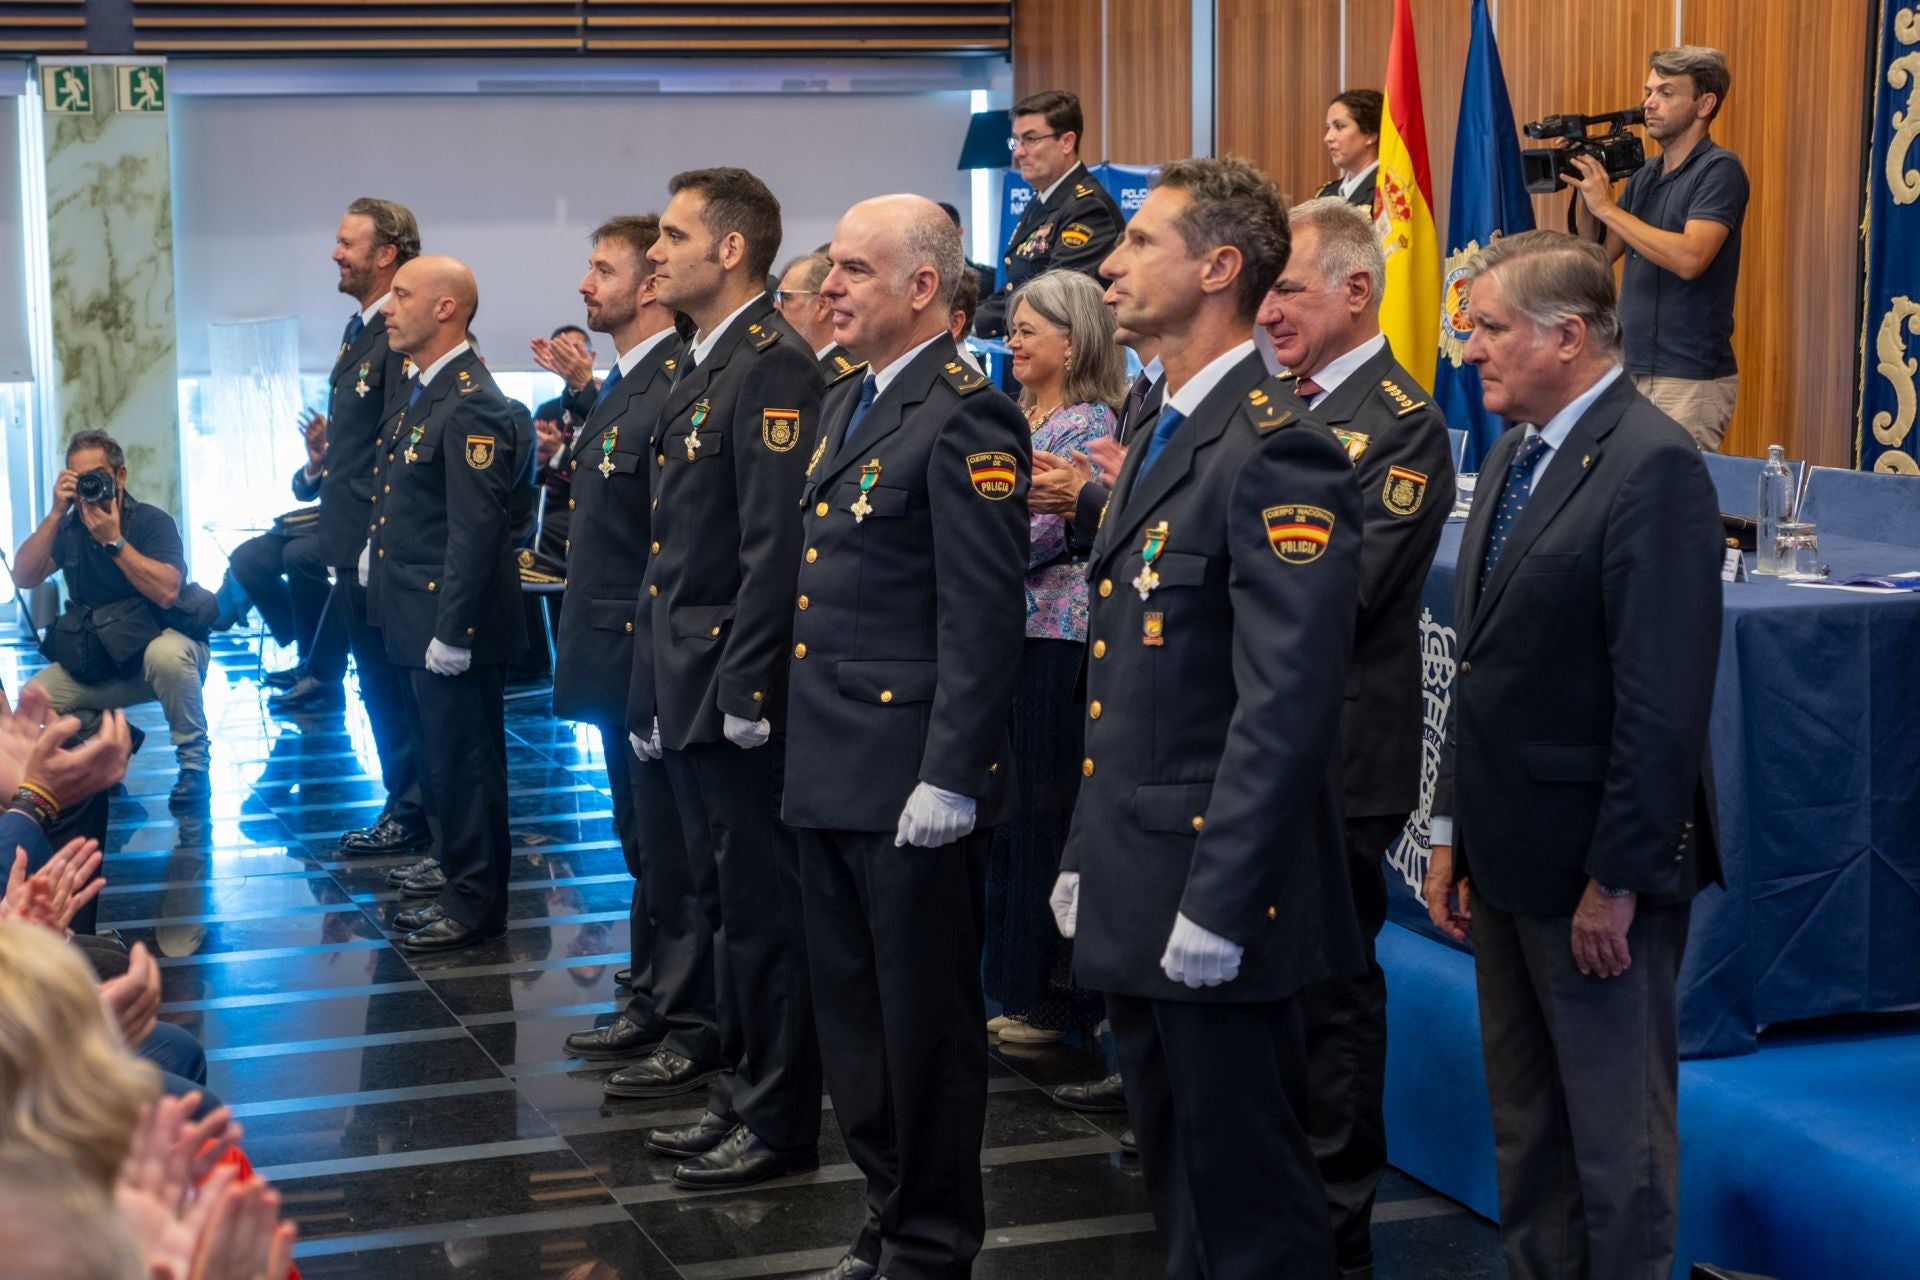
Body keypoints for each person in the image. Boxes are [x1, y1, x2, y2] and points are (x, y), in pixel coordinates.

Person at [1052, 155, 1365, 1278]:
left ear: (1220, 268)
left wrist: (1223, 901)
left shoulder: (1274, 444)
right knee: (1180, 1176)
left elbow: (1283, 703)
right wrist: (1089, 848)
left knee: (1252, 1204)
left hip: (1217, 891)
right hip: (1144, 873)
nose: (1110, 259)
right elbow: (1128, 681)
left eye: (1140, 242)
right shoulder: (1172, 428)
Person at [1424, 229, 1723, 1280]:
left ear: (1569, 334)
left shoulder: (1655, 465)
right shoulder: (1511, 452)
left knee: (1615, 1143)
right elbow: (1478, 668)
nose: (1469, 350)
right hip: (1504, 854)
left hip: (1596, 874)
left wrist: (1618, 878)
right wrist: (1449, 830)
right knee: (1530, 1129)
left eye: (1488, 327)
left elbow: (1663, 702)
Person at [784, 194, 1029, 1280]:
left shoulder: (964, 412)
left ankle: (931, 1242)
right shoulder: (850, 400)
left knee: (923, 1026)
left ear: (922, 287)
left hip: (907, 774)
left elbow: (980, 614)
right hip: (830, 763)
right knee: (854, 1019)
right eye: (830, 270)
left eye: (850, 269)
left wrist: (953, 771)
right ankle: (886, 1213)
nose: (827, 287)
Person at [1257, 195, 1455, 1279]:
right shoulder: (1265, 399)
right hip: (1259, 742)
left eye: (1287, 286)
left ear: (1356, 289)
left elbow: (1349, 587)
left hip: (1337, 753)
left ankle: (1334, 1229)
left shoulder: (1397, 419)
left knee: (1330, 996)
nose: (1268, 307)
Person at [622, 168, 825, 1191]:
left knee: (763, 915)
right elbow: (679, 549)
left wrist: (746, 689)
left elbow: (770, 548)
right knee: (722, 902)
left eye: (672, 235)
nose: (656, 253)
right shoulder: (711, 362)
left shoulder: (773, 364)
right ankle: (738, 1091)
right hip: (688, 678)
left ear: (732, 249)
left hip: (733, 686)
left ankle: (777, 1113)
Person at [551, 216, 720, 1099]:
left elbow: (671, 542)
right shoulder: (631, 383)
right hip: (618, 650)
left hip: (646, 650)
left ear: (650, 288)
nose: (588, 285)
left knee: (672, 851)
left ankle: (686, 1018)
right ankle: (655, 991)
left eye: (603, 268)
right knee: (641, 842)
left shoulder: (668, 386)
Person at [365, 255, 527, 953]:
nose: (388, 307)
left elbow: (478, 528)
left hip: (445, 621)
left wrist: (455, 629)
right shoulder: (425, 391)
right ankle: (461, 882)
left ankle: (475, 904)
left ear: (446, 310)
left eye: (402, 295)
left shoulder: (472, 401)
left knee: (464, 766)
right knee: (441, 762)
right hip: (411, 615)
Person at [984, 269, 1124, 1047]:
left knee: (1043, 822)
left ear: (1071, 343)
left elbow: (1034, 536)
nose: (1012, 342)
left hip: (1057, 644)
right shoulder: (1022, 419)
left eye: (1027, 330)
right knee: (1014, 824)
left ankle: (1050, 998)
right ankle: (1013, 984)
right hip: (1018, 635)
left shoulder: (1082, 425)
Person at [314, 197, 432, 860]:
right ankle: (405, 801)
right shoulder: (362, 328)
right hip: (351, 540)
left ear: (387, 253)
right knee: (378, 689)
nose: (336, 253)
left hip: (375, 546)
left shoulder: (400, 331)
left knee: (394, 692)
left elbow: (397, 444)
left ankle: (415, 811)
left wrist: (371, 545)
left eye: (347, 242)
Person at [12, 431, 212, 809]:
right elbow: (23, 576)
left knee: (167, 655)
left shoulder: (152, 521)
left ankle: (194, 766)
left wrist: (114, 541)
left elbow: (168, 591)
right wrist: (56, 513)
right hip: (105, 655)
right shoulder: (69, 527)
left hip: (161, 649)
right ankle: (114, 740)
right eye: (77, 477)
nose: (89, 485)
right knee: (35, 698)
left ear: (119, 477)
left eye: (97, 475)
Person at [1569, 46, 1747, 450]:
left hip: (1688, 377)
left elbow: (1690, 258)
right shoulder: (1646, 174)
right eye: (1649, 91)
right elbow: (1597, 256)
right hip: (1629, 366)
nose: (1649, 103)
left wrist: (1608, 208)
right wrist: (1588, 193)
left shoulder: (1719, 170)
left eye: (1666, 93)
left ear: (1704, 104)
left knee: (1673, 504)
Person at [975, 89, 1124, 338]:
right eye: (1016, 140)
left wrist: (966, 324)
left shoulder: (1087, 207)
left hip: (1070, 361)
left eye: (1030, 139)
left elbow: (1055, 297)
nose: (1019, 152)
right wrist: (967, 321)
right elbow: (1015, 289)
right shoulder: (1041, 200)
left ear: (1066, 142)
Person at [224, 465, 346, 714]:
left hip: (358, 523)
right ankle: (314, 651)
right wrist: (314, 466)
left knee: (297, 556)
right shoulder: (333, 425)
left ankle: (320, 670)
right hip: (321, 521)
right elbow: (303, 490)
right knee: (246, 560)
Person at [774, 250, 859, 379]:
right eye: (776, 296)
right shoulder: (793, 362)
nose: (775, 305)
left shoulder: (845, 377)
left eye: (786, 297)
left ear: (822, 306)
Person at [1317, 90, 1383, 207]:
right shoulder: (1326, 194)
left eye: (1339, 126)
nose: (1328, 138)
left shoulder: (1386, 194)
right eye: (1328, 127)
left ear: (1370, 135)